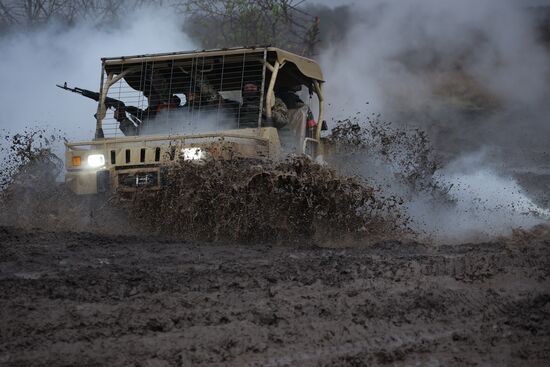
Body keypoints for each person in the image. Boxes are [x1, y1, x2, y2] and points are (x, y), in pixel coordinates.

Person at [115, 94, 181, 136]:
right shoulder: (155, 109)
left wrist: (123, 119)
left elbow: (135, 136)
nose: (149, 99)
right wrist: (125, 111)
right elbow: (143, 115)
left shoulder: (166, 109)